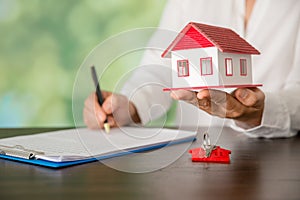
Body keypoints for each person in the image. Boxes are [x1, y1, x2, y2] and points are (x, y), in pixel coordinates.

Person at [83, 0, 300, 138]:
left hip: (275, 158)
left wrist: (259, 113)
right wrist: (128, 106)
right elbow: (161, 67)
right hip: (191, 159)